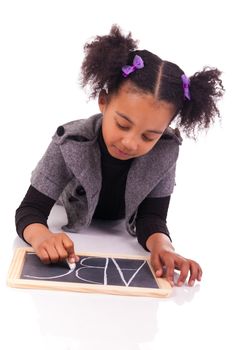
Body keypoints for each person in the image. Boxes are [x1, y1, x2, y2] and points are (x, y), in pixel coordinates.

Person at [15, 25, 224, 287]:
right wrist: (42, 237)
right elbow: (30, 211)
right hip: (65, 206)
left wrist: (164, 247)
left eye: (149, 136)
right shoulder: (69, 141)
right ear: (103, 101)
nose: (130, 142)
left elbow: (152, 218)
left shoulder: (167, 150)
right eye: (123, 125)